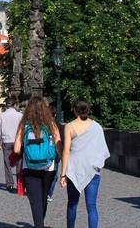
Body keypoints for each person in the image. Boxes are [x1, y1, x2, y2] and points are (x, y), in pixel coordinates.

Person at [59, 98, 110, 228]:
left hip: (74, 169)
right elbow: (102, 149)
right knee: (92, 206)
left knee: (72, 204)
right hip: (92, 170)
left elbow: (66, 151)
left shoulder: (69, 126)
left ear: (75, 110)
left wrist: (63, 174)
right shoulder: (97, 126)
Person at [13, 97, 61, 228]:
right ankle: (40, 224)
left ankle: (39, 224)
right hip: (48, 168)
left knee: (35, 202)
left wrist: (27, 150)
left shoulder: (24, 124)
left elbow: (16, 149)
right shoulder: (51, 124)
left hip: (29, 167)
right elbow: (59, 146)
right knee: (43, 199)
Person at [0, 97, 23, 191]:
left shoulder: (1, 116)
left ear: (6, 105)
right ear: (14, 105)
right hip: (18, 141)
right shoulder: (20, 115)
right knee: (19, 163)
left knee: (7, 163)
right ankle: (20, 184)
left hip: (6, 141)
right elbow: (23, 128)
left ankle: (9, 183)